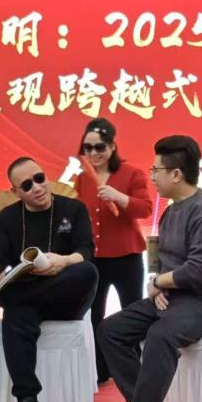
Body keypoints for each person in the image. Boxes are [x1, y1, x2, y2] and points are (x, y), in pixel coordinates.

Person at [97, 136, 202, 402]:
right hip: (173, 297)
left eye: (156, 170)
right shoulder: (171, 211)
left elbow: (201, 269)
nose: (152, 177)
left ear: (176, 174)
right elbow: (159, 255)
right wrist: (156, 282)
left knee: (160, 335)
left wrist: (160, 282)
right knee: (110, 330)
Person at [0, 157, 99, 402]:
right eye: (26, 185)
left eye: (39, 178)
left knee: (87, 272)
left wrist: (62, 260)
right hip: (28, 301)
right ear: (16, 192)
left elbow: (85, 250)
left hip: (66, 295)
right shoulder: (7, 218)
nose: (37, 187)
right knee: (16, 315)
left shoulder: (73, 208)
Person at [72, 118, 153, 384]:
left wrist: (119, 197)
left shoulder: (132, 174)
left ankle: (136, 368)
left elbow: (145, 208)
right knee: (93, 315)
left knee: (133, 312)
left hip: (127, 256)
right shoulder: (82, 179)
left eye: (100, 147)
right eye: (88, 148)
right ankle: (100, 370)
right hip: (94, 259)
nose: (93, 153)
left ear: (112, 146)